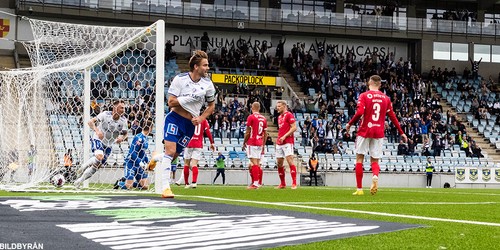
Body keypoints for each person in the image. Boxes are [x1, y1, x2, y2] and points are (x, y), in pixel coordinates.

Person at [160, 50, 216, 198]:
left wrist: (202, 118)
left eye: (208, 65)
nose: (207, 68)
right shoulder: (180, 79)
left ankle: (155, 159)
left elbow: (211, 106)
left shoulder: (208, 84)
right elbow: (171, 102)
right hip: (174, 119)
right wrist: (190, 98)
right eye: (205, 65)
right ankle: (165, 187)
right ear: (196, 67)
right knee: (170, 152)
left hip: (190, 125)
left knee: (172, 155)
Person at [346, 75, 407, 196]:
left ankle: (359, 189)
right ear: (379, 84)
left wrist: (350, 124)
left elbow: (359, 112)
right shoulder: (386, 98)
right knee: (375, 160)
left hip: (364, 130)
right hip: (378, 132)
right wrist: (401, 132)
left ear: (370, 82)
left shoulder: (364, 96)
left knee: (359, 158)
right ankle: (375, 176)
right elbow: (393, 117)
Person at [74, 99, 128, 189]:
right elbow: (90, 122)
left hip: (109, 145)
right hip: (98, 139)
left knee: (97, 166)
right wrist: (97, 131)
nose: (123, 110)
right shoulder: (105, 115)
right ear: (114, 107)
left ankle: (79, 181)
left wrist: (121, 138)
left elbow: (126, 134)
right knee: (99, 157)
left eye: (124, 108)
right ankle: (83, 167)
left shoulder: (123, 121)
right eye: (121, 108)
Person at [115, 123, 154, 190]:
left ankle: (129, 182)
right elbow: (133, 153)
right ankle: (120, 183)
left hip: (139, 165)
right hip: (131, 163)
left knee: (145, 186)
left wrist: (148, 162)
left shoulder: (145, 138)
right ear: (150, 128)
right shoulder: (138, 137)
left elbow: (143, 152)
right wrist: (140, 163)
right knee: (129, 186)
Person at [182, 119, 215, 189]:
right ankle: (194, 182)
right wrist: (212, 142)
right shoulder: (203, 120)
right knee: (194, 164)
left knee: (186, 164)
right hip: (198, 144)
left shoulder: (189, 118)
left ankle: (186, 183)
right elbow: (208, 131)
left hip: (189, 143)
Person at [243, 102, 268, 189]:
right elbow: (266, 134)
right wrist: (263, 144)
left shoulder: (251, 117)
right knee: (255, 163)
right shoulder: (263, 118)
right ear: (259, 108)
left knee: (254, 163)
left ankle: (256, 183)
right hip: (260, 143)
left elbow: (248, 132)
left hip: (252, 142)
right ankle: (256, 182)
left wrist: (244, 142)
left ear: (252, 107)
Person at [275, 100, 298, 189]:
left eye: (279, 106)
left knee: (289, 160)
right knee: (279, 163)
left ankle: (294, 183)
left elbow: (294, 127)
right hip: (279, 142)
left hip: (288, 141)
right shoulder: (279, 117)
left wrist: (284, 136)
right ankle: (283, 183)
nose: (277, 108)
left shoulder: (289, 115)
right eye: (277, 106)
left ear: (284, 106)